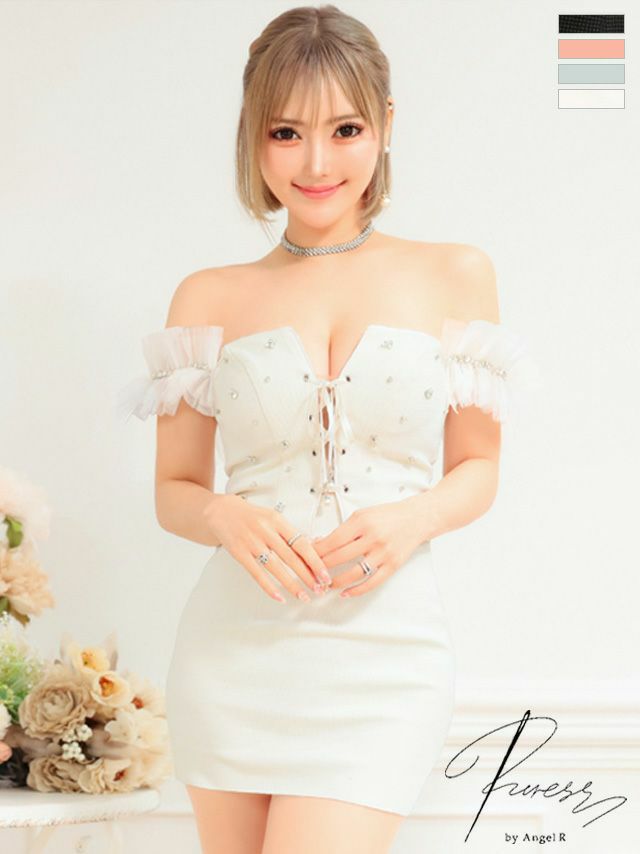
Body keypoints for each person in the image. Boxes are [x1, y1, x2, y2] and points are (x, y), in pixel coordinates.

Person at [117, 5, 541, 853]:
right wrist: (223, 514)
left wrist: (412, 518)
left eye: (345, 129)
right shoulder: (208, 296)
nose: (316, 163)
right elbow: (174, 489)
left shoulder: (455, 274)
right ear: (254, 134)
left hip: (384, 657)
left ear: (386, 125)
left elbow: (479, 467)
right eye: (286, 132)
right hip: (232, 655)